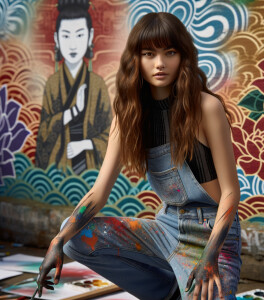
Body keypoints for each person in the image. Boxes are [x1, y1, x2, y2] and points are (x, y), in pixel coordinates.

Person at [37, 12, 242, 300]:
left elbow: (231, 192)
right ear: (137, 59)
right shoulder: (129, 114)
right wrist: (57, 241)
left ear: (183, 55)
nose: (160, 63)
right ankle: (166, 291)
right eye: (149, 54)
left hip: (212, 234)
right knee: (75, 237)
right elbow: (98, 193)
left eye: (169, 52)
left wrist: (209, 257)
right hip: (166, 226)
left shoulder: (206, 107)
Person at [35, 0, 112, 175]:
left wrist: (85, 144)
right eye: (66, 35)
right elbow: (44, 134)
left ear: (90, 36)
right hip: (59, 167)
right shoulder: (53, 84)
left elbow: (109, 134)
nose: (72, 44)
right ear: (56, 38)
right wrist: (71, 113)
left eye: (79, 35)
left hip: (89, 168)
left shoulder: (97, 84)